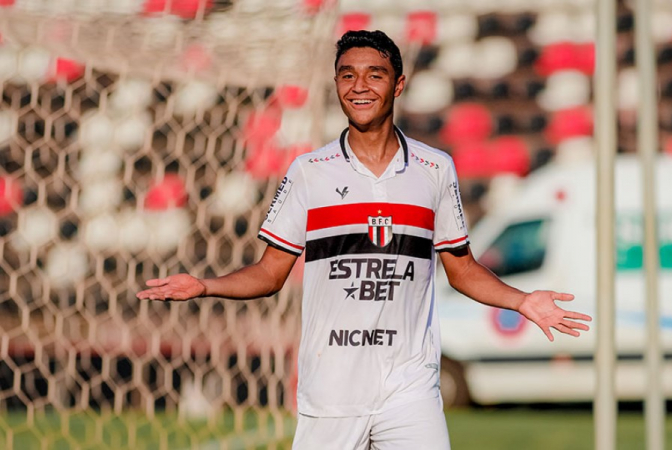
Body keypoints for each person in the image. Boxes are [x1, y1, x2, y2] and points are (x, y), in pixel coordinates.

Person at [137, 30, 592, 450]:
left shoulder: (434, 169)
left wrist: (522, 301)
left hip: (409, 388)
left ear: (398, 84)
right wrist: (206, 285)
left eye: (374, 75)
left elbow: (462, 267)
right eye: (347, 75)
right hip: (331, 391)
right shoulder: (309, 171)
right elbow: (269, 273)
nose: (359, 86)